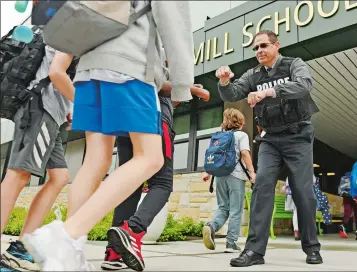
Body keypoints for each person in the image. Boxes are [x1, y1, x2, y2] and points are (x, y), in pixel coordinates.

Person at [21, 1, 195, 271]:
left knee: (95, 161)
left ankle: (72, 254)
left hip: (88, 71)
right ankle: (64, 236)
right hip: (130, 66)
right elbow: (175, 25)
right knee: (150, 159)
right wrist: (183, 86)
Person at [215, 30, 322, 266]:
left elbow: (304, 86)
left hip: (298, 135)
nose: (259, 51)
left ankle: (312, 247)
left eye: (264, 46)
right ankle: (254, 251)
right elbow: (233, 92)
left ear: (276, 46)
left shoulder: (294, 64)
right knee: (262, 186)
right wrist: (224, 81)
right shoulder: (253, 75)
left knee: (303, 192)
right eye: (256, 48)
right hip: (270, 139)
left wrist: (269, 92)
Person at [101, 49, 210, 271]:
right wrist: (190, 89)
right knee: (162, 184)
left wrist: (180, 96)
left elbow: (163, 93)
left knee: (130, 186)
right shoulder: (153, 52)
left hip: (127, 124)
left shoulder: (130, 51)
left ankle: (114, 253)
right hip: (153, 124)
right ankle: (133, 231)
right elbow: (155, 82)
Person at [0, 46, 76, 272]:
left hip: (51, 112)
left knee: (60, 176)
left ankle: (22, 247)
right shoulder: (72, 29)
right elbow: (56, 73)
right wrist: (85, 106)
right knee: (18, 175)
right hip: (41, 107)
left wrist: (68, 108)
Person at [201, 108, 256, 253]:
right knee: (235, 210)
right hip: (236, 176)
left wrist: (208, 172)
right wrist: (252, 172)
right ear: (240, 122)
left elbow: (215, 157)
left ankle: (211, 226)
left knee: (223, 207)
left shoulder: (219, 137)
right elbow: (244, 153)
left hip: (219, 176)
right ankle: (231, 243)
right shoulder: (241, 135)